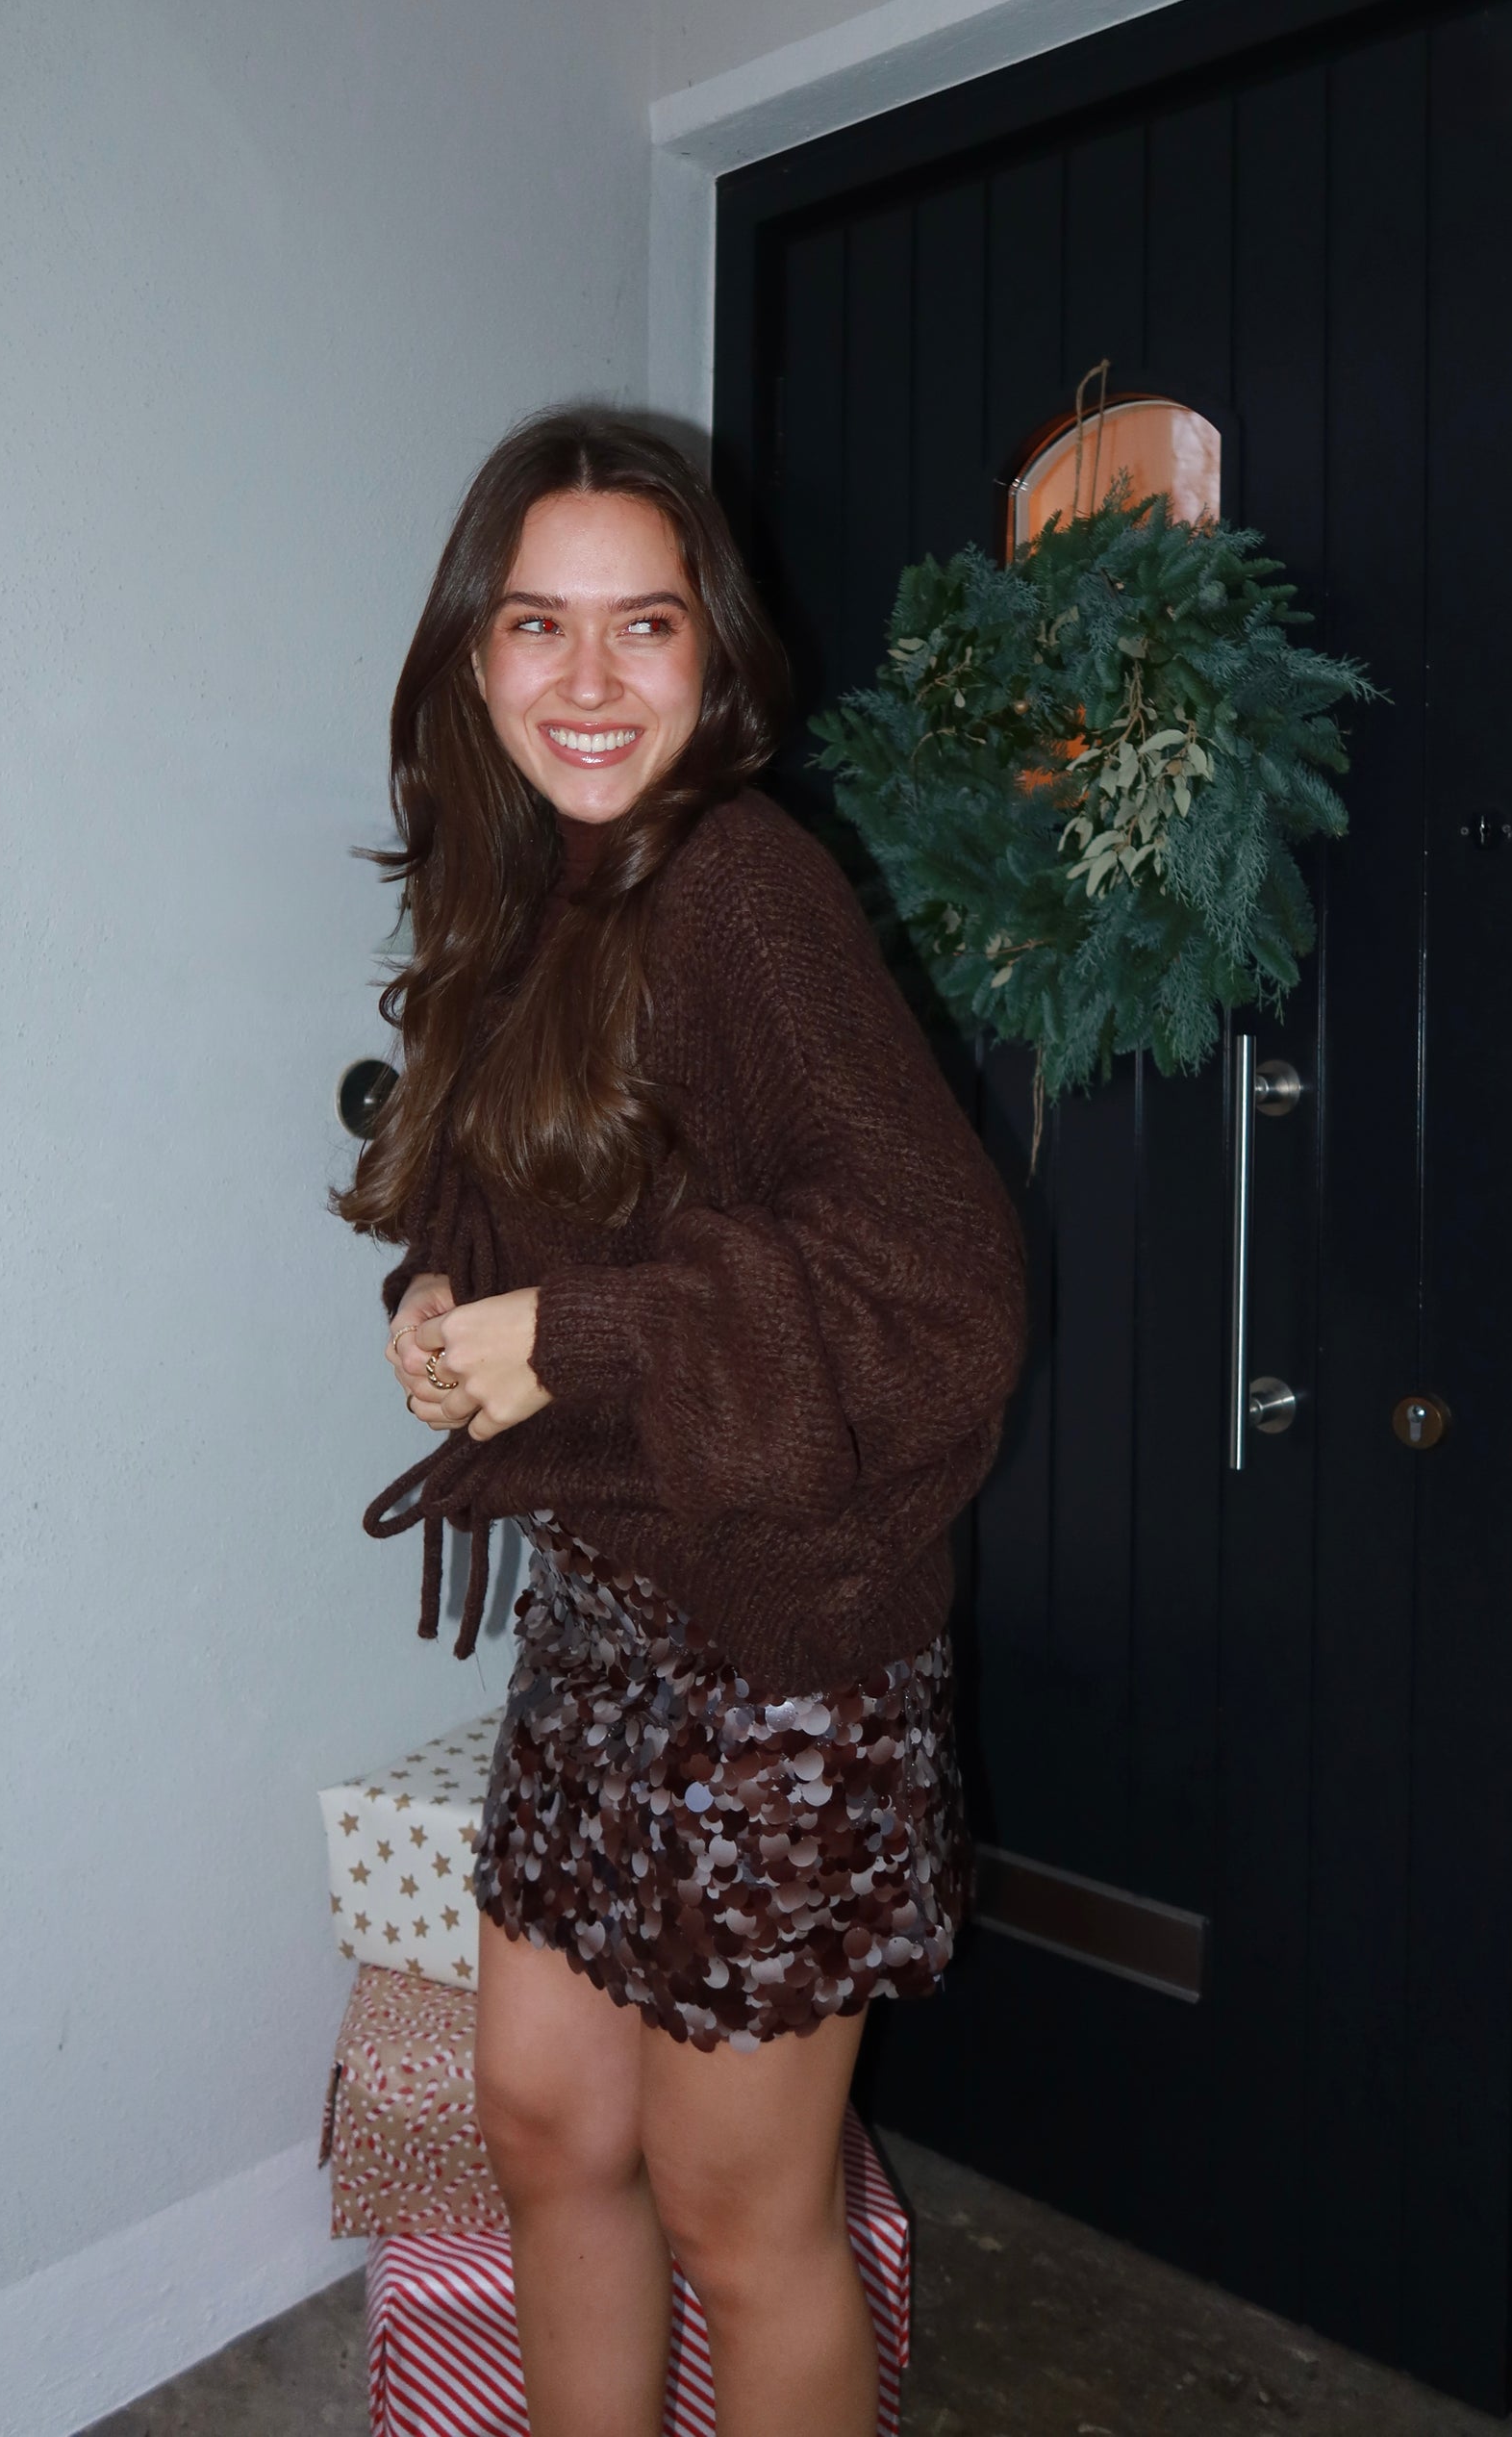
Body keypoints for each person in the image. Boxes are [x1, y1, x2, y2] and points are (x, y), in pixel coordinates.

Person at [340, 406, 1025, 2437]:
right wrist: (440, 1304)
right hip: (608, 1622)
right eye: (535, 624)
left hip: (788, 1656)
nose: (587, 677)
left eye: (641, 624)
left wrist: (590, 1339)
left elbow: (944, 1290)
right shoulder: (512, 897)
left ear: (711, 652)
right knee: (547, 2129)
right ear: (472, 654)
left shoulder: (742, 886)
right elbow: (523, 1205)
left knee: (742, 2210)